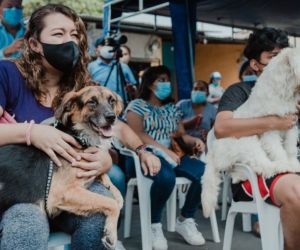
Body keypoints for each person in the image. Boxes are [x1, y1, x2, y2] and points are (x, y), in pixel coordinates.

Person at [0, 4, 160, 250]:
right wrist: (32, 132)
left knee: (99, 215)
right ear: (34, 44)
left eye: (74, 34)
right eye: (58, 34)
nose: (69, 41)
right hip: (23, 189)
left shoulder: (85, 85)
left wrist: (114, 157)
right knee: (27, 223)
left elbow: (116, 127)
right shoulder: (7, 73)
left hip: (71, 184)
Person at [215, 27, 300, 250]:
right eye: (273, 57)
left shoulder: (294, 92)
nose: (282, 62)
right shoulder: (240, 91)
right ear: (255, 64)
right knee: (297, 190)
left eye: (284, 56)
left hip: (291, 164)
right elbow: (221, 128)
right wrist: (274, 122)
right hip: (254, 172)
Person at [124, 65, 206, 250]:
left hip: (174, 154)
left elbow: (180, 134)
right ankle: (154, 225)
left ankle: (185, 219)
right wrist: (163, 150)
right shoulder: (136, 106)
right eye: (161, 80)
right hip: (144, 155)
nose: (166, 84)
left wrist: (194, 140)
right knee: (166, 177)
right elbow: (138, 134)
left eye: (167, 80)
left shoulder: (171, 107)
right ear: (150, 84)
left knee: (205, 173)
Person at [88, 37, 137, 102]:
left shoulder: (123, 67)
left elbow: (135, 90)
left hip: (120, 106)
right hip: (99, 106)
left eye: (110, 45)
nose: (107, 47)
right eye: (103, 45)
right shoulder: (91, 66)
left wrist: (132, 89)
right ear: (96, 49)